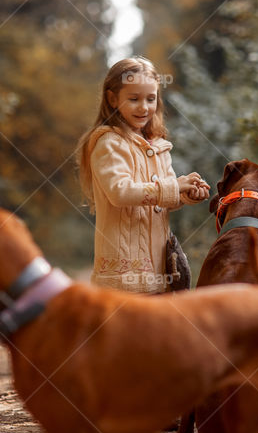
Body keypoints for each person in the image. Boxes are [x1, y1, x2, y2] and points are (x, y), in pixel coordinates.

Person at [76, 56, 210, 294]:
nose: (144, 107)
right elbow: (120, 192)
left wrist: (187, 192)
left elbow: (164, 200)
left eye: (151, 98)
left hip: (161, 271)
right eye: (134, 99)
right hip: (125, 276)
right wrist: (174, 186)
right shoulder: (109, 143)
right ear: (112, 99)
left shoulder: (158, 146)